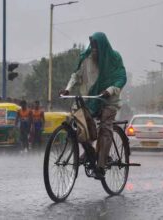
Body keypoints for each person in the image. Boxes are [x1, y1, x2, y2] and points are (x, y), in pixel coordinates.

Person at [60, 32, 127, 179]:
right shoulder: (86, 58)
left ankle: (101, 166)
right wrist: (68, 88)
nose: (94, 50)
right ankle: (89, 150)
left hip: (110, 100)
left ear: (103, 46)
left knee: (105, 128)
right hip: (91, 99)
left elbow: (121, 77)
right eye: (93, 46)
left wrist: (110, 91)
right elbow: (76, 75)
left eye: (96, 47)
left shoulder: (114, 58)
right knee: (80, 125)